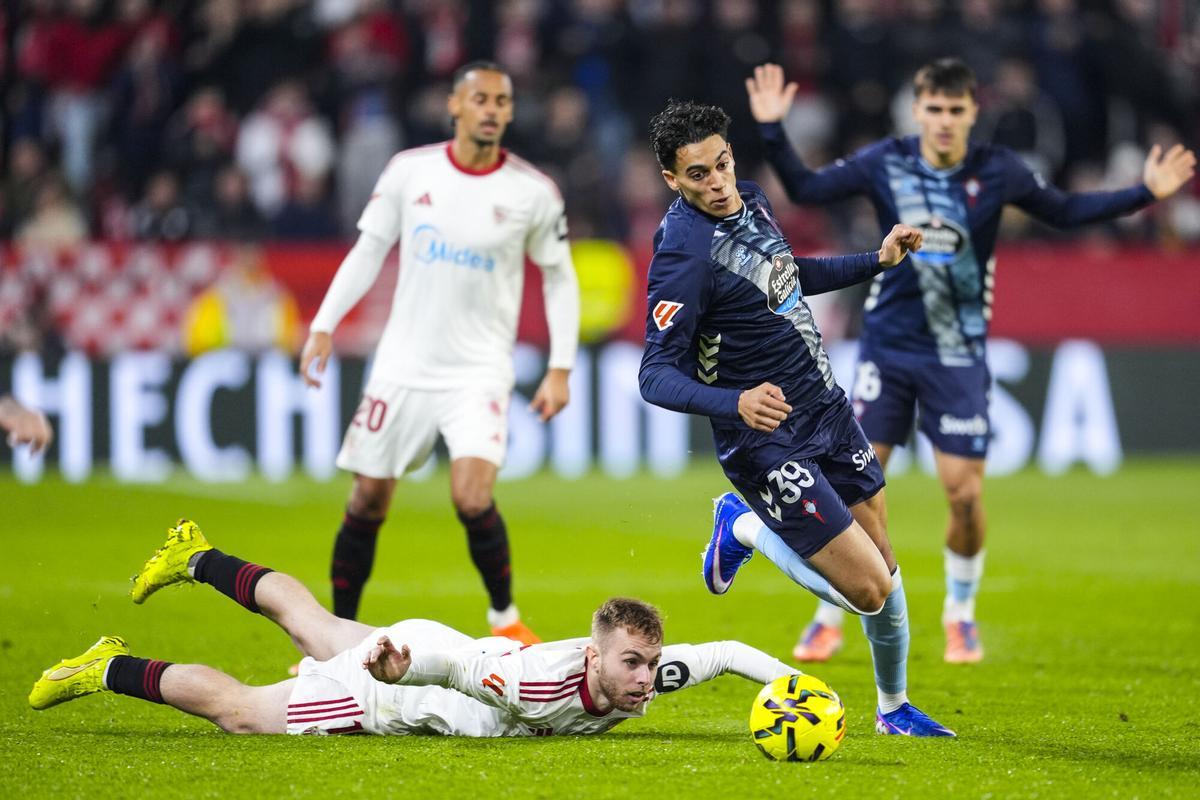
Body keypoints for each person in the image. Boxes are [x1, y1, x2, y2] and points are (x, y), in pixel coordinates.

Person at [746, 59, 1197, 665]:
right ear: (917, 111)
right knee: (853, 489)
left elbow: (1064, 212)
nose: (943, 121)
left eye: (955, 110)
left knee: (962, 494)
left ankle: (959, 612)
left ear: (972, 113)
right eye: (933, 109)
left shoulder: (998, 169)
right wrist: (772, 129)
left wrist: (1146, 193)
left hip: (957, 355)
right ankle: (831, 614)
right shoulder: (887, 160)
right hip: (887, 347)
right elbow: (805, 190)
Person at [638, 99, 953, 737]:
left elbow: (787, 274)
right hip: (765, 438)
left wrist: (875, 260)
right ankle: (744, 526)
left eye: (722, 164)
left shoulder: (753, 200)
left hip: (825, 406)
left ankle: (893, 709)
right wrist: (734, 402)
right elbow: (654, 373)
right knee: (868, 590)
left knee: (884, 562)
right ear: (672, 179)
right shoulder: (682, 256)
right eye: (698, 174)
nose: (718, 183)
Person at [30, 520, 798, 737]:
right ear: (593, 657)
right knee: (241, 713)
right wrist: (396, 671)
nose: (646, 679)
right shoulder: (533, 686)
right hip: (398, 688)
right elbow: (456, 673)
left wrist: (798, 689)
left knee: (311, 622)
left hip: (431, 643)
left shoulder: (641, 678)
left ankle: (196, 557)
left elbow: (729, 652)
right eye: (632, 664)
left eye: (648, 664)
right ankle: (106, 666)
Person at [298, 61, 580, 643]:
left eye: (501, 101)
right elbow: (369, 249)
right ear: (455, 105)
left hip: (479, 370)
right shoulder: (410, 171)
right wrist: (324, 324)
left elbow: (559, 277)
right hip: (403, 364)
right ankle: (337, 637)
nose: (491, 110)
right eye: (480, 99)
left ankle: (504, 620)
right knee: (368, 499)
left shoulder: (531, 192)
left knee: (472, 497)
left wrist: (560, 367)